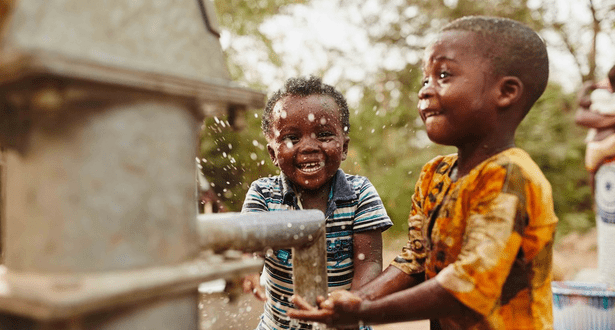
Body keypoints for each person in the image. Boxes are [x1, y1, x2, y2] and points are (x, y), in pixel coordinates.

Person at [288, 16, 558, 330]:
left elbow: (466, 287)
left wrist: (364, 312)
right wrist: (358, 300)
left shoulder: (510, 176)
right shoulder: (436, 174)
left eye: (442, 75)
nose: (425, 91)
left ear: (506, 92)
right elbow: (417, 259)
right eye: (424, 79)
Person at [241, 75, 393, 330]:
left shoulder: (360, 194)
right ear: (273, 153)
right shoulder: (263, 194)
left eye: (323, 135)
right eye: (291, 138)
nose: (309, 147)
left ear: (344, 147)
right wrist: (247, 270)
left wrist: (352, 304)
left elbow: (369, 261)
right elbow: (250, 246)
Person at [575, 65, 615, 187]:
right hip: (606, 145)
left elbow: (581, 103)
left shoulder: (599, 97)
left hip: (595, 146)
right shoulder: (603, 97)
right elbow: (579, 117)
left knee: (592, 173)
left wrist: (589, 85)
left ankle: (594, 202)